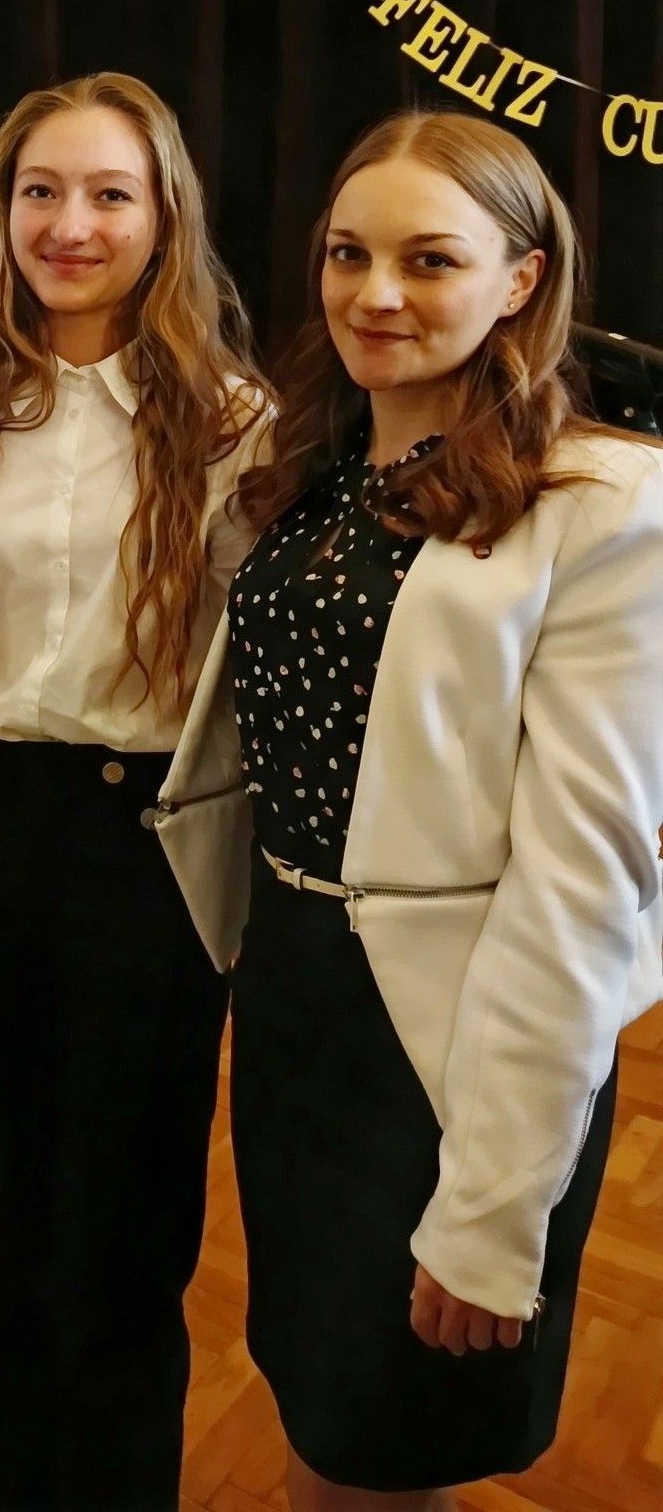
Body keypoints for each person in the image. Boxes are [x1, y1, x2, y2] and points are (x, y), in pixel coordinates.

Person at [154, 109, 663, 1511]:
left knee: (395, 1427)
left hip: (452, 1028)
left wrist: (498, 1208)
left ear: (522, 278)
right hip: (298, 994)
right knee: (326, 1399)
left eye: (430, 260)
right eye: (348, 254)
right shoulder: (307, 475)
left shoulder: (603, 505)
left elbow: (583, 883)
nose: (376, 293)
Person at [0, 71, 268, 1509]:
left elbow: (253, 681)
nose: (71, 224)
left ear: (164, 218)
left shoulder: (231, 422)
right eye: (42, 190)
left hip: (146, 848)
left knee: (122, 1231)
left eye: (109, 193)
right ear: (3, 211)